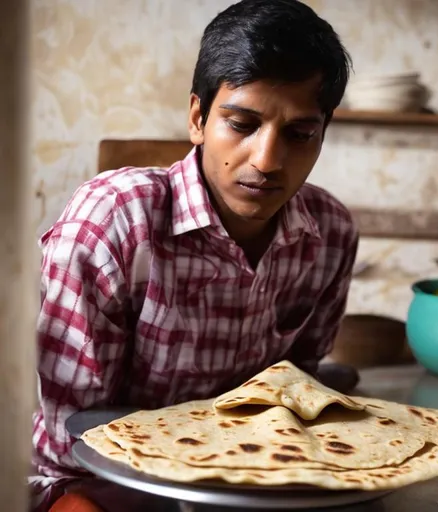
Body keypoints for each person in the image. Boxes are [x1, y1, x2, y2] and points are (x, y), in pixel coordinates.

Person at [30, 0, 359, 510]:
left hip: (254, 482)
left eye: (299, 135)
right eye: (242, 124)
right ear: (198, 118)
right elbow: (69, 438)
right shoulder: (116, 222)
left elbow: (298, 392)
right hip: (105, 483)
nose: (267, 161)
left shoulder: (331, 232)